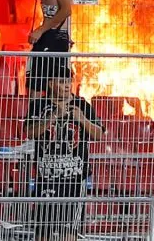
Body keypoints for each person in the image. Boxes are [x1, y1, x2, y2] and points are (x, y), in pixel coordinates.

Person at [24, 64, 104, 241]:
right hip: (46, 179)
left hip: (75, 181)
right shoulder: (39, 105)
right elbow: (29, 132)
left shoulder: (82, 105)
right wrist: (52, 117)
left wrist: (81, 119)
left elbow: (99, 134)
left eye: (69, 81)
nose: (67, 85)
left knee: (68, 234)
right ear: (51, 83)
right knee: (42, 232)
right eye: (62, 82)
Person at [27, 0, 72, 97]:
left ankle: (53, 118)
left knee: (54, 86)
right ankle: (34, 118)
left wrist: (40, 30)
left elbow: (66, 10)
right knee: (34, 83)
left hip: (57, 35)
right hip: (46, 34)